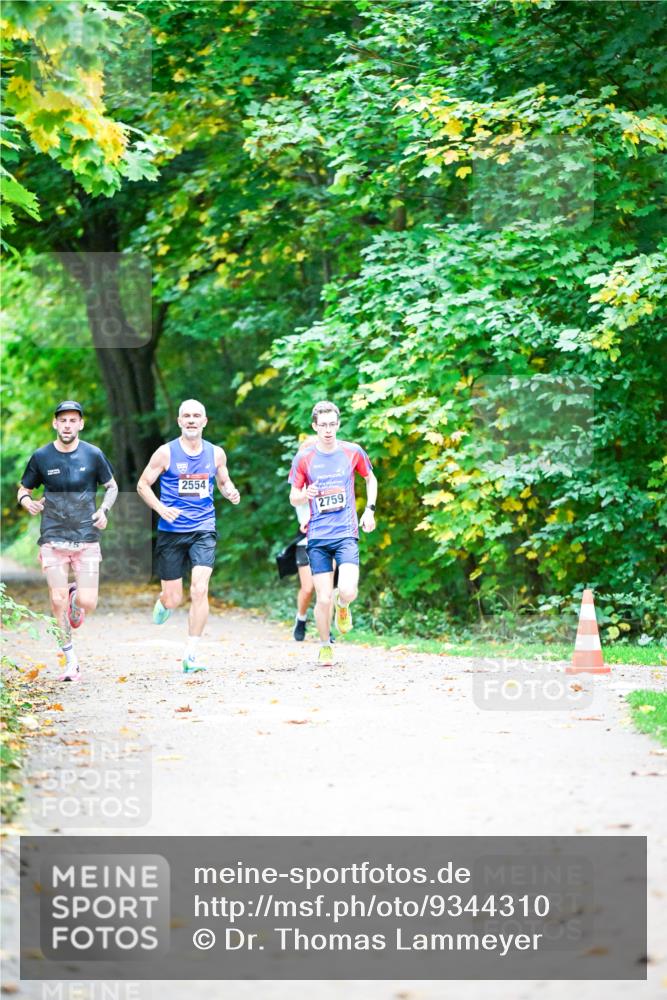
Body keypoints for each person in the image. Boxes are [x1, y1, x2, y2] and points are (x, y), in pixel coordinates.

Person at [136, 399, 240, 674]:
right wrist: (160, 508)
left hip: (203, 528)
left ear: (205, 421)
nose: (192, 420)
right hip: (171, 532)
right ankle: (164, 601)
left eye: (197, 416)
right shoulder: (165, 453)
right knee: (174, 598)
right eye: (186, 416)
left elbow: (223, 480)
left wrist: (230, 490)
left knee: (199, 589)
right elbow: (142, 484)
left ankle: (191, 654)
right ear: (180, 421)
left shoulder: (216, 453)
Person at [17, 401, 118, 682]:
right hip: (52, 538)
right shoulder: (41, 457)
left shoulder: (93, 454)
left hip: (86, 538)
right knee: (56, 600)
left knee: (88, 602)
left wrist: (103, 510)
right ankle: (71, 661)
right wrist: (27, 501)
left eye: (73, 420)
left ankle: (77, 597)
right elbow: (24, 488)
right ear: (55, 423)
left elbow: (112, 486)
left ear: (81, 424)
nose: (67, 425)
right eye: (63, 420)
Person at [288, 400, 377, 665]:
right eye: (322, 425)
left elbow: (370, 478)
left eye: (332, 424)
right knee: (322, 597)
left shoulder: (353, 452)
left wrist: (369, 509)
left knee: (348, 590)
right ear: (315, 426)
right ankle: (325, 645)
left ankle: (344, 604)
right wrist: (305, 494)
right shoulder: (304, 458)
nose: (328, 429)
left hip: (346, 532)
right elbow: (293, 496)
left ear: (338, 424)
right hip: (317, 538)